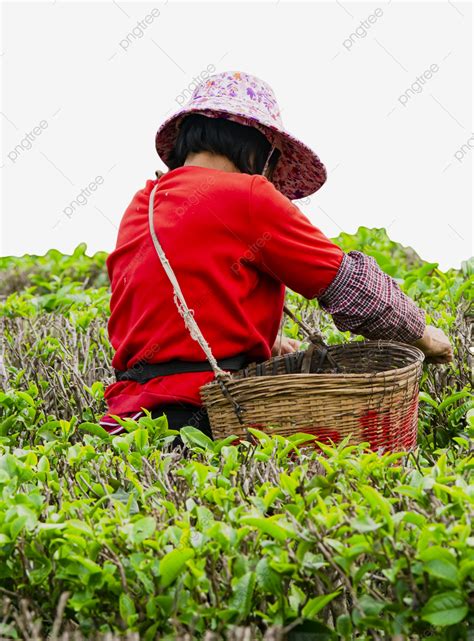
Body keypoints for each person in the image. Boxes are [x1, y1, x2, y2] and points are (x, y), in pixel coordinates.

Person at [99, 71, 453, 438]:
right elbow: (350, 287)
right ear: (257, 149)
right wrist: (424, 336)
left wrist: (264, 343)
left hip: (128, 426)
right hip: (207, 420)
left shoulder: (145, 201)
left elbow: (169, 307)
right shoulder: (247, 196)